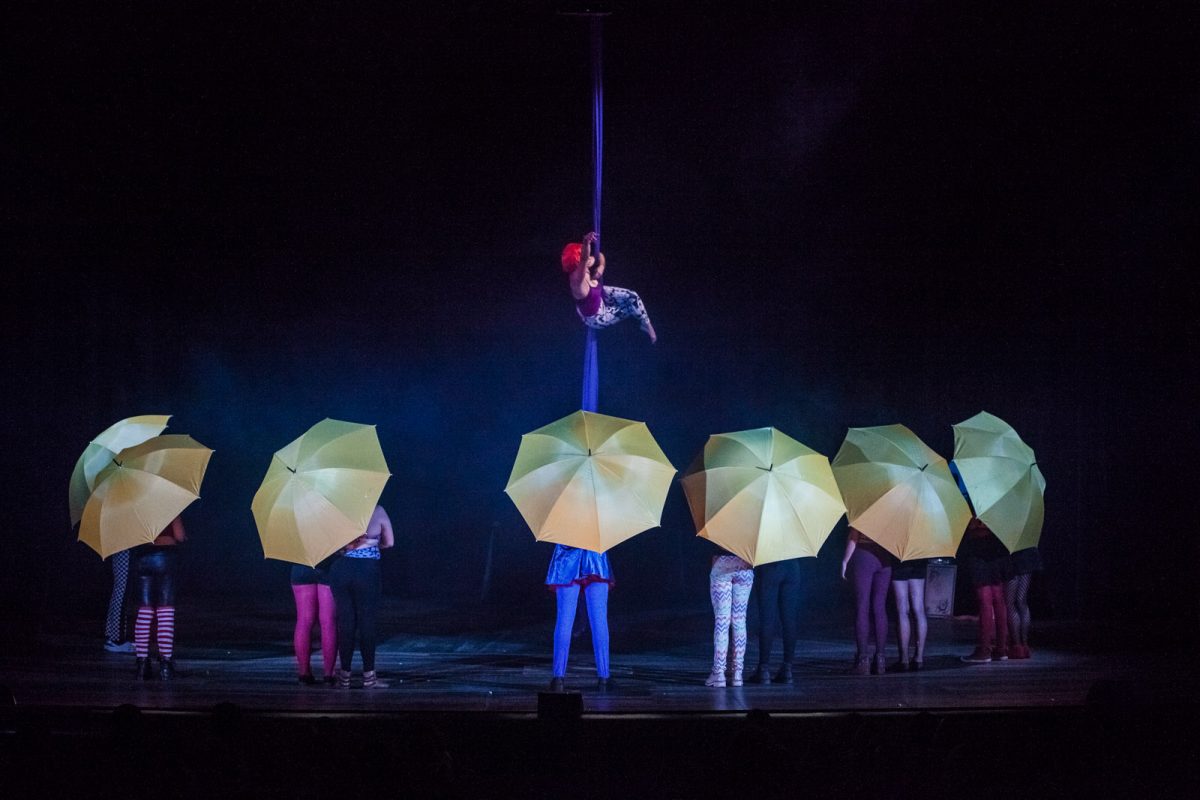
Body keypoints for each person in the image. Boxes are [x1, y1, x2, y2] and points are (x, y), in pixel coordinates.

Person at [330, 505, 394, 689]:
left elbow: (334, 547)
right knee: (367, 623)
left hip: (341, 569)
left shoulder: (339, 510)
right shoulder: (378, 510)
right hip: (367, 570)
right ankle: (369, 677)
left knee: (346, 623)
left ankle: (345, 677)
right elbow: (390, 542)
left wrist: (350, 546)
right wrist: (373, 544)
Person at [563, 231, 657, 343]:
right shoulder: (577, 280)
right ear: (578, 259)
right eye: (583, 255)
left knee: (633, 296)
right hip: (597, 318)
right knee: (631, 307)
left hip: (600, 296)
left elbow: (599, 256)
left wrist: (601, 266)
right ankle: (646, 325)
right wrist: (586, 241)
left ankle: (646, 323)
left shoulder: (585, 265)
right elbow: (584, 258)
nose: (587, 258)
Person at [545, 544, 614, 691]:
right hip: (595, 559)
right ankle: (604, 677)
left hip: (566, 560)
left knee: (564, 619)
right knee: (599, 620)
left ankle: (558, 678)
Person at [131, 515, 186, 680]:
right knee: (165, 611)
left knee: (144, 611)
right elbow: (180, 536)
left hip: (142, 558)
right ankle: (166, 665)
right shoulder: (170, 506)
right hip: (166, 558)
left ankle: (142, 663)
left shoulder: (137, 508)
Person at [958, 518, 1013, 663]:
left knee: (985, 599)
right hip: (998, 549)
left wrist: (971, 526)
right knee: (998, 597)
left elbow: (974, 527)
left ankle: (984, 650)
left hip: (980, 549)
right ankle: (1001, 648)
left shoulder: (977, 502)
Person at [841, 527, 893, 676]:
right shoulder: (891, 507)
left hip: (864, 555)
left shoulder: (863, 506)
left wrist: (845, 561)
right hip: (885, 558)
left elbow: (854, 536)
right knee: (880, 607)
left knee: (862, 606)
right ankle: (881, 660)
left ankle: (863, 660)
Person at [750, 558, 802, 684]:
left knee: (767, 619)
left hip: (769, 568)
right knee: (789, 619)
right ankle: (787, 668)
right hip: (792, 567)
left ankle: (763, 669)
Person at [706, 552, 754, 687]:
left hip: (722, 565)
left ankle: (719, 673)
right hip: (744, 566)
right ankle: (737, 674)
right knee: (739, 620)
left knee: (722, 621)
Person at [290, 556, 337, 685]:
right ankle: (329, 674)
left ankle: (304, 673)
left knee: (304, 621)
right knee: (328, 622)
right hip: (329, 566)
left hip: (302, 565)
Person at [891, 558, 930, 671]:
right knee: (919, 609)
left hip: (900, 562)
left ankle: (904, 660)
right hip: (919, 559)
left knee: (902, 611)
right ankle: (919, 658)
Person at [1005, 546, 1042, 659]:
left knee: (1010, 603)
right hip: (1028, 555)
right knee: (1022, 600)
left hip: (1013, 558)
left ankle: (1017, 646)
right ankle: (1025, 644)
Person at [104, 549, 134, 652]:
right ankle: (117, 640)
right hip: (125, 550)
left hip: (120, 549)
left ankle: (111, 636)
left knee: (119, 590)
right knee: (122, 591)